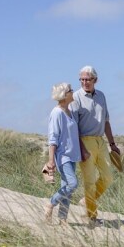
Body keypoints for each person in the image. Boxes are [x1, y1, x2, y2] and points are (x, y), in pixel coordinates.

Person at [70, 65, 120, 225]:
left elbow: (106, 121)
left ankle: (86, 200)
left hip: (100, 141)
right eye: (82, 79)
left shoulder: (102, 96)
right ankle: (91, 216)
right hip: (84, 140)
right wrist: (81, 148)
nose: (85, 82)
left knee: (108, 177)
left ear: (95, 80)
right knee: (89, 181)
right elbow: (73, 126)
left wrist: (112, 144)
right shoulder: (76, 97)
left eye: (88, 79)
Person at [44, 82, 89, 225]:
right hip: (62, 156)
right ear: (64, 95)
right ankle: (50, 204)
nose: (73, 92)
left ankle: (62, 219)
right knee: (72, 184)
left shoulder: (69, 112)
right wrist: (51, 160)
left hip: (72, 155)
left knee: (67, 189)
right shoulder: (56, 113)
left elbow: (75, 135)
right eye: (71, 90)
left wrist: (83, 151)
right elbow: (53, 138)